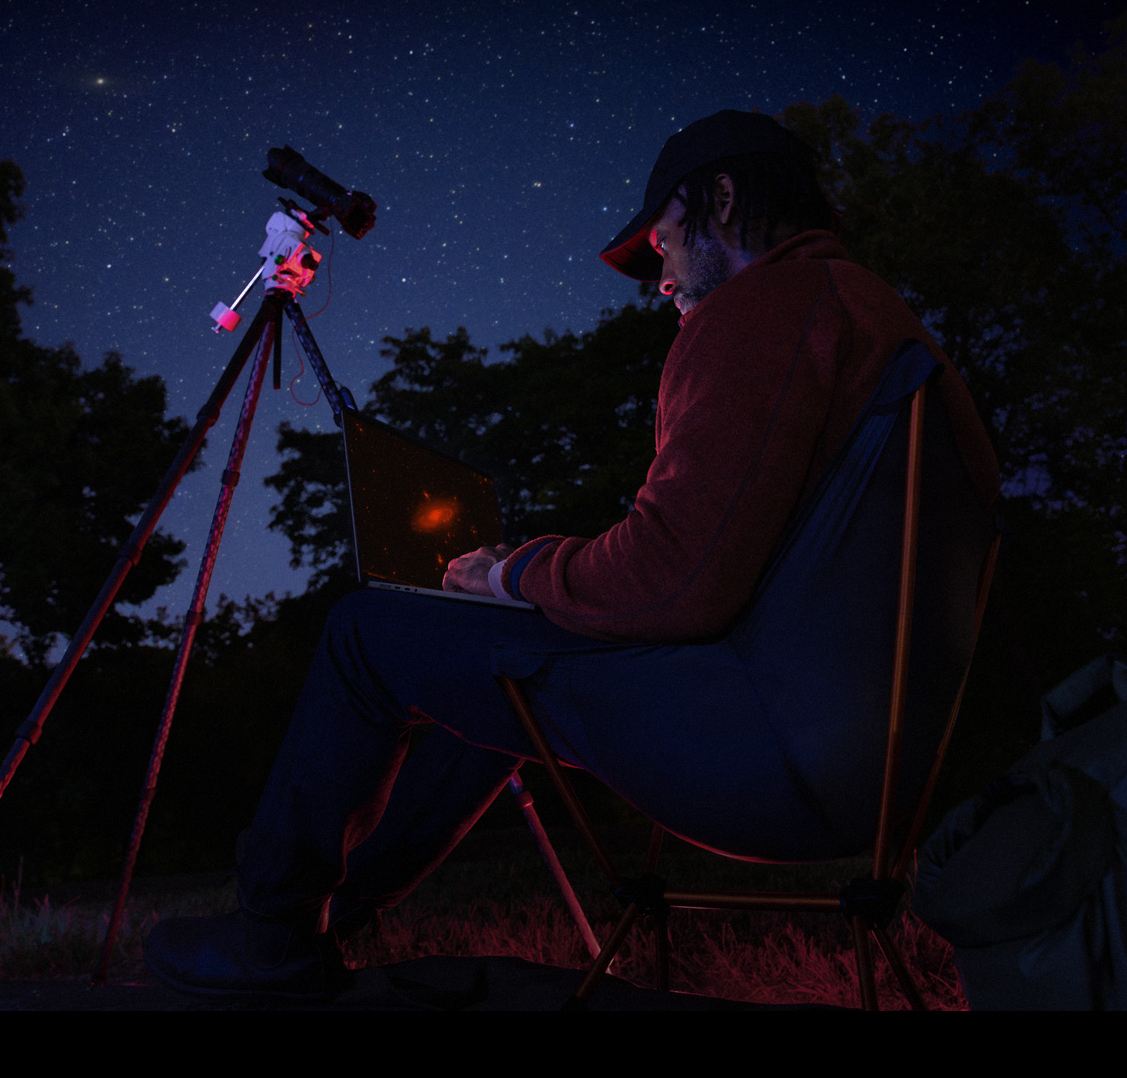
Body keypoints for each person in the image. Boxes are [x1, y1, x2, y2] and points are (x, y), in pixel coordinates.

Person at [145, 109, 1001, 1002]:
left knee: (366, 634)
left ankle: (273, 941)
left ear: (722, 199)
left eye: (665, 242)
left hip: (766, 751)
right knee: (504, 659)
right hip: (876, 769)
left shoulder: (764, 309)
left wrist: (512, 571)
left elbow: (674, 580)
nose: (661, 280)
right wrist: (534, 593)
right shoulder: (879, 316)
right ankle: (336, 919)